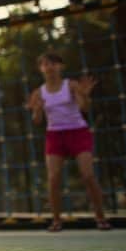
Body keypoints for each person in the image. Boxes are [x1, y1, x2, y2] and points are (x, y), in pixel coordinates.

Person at [26, 51, 111, 232]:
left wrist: (85, 95)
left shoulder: (71, 85)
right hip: (55, 135)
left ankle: (101, 218)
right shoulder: (39, 92)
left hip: (78, 132)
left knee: (87, 175)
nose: (49, 67)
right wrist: (37, 110)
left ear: (60, 67)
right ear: (41, 69)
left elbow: (84, 108)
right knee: (53, 178)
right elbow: (37, 121)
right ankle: (56, 221)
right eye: (45, 64)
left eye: (53, 63)